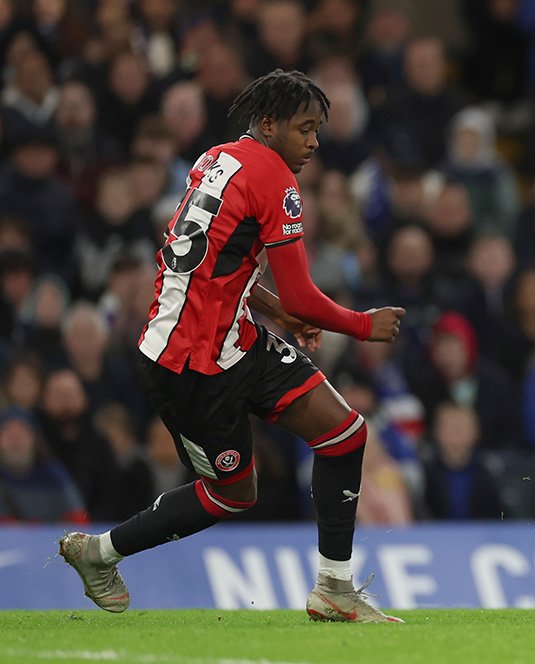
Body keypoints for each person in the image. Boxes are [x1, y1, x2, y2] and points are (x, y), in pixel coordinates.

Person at [58, 69, 407, 624]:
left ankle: (334, 589)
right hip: (189, 366)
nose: (314, 142)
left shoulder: (216, 159)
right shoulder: (275, 180)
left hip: (234, 340)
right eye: (304, 128)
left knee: (345, 436)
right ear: (267, 125)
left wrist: (277, 311)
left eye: (318, 129)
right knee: (232, 493)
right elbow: (304, 293)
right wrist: (364, 325)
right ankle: (100, 553)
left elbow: (216, 265)